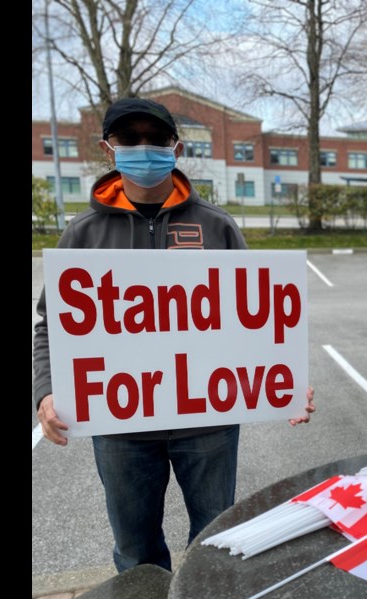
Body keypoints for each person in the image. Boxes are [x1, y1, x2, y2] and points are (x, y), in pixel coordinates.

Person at [32, 97, 316, 572]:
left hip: (207, 421)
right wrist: (45, 391)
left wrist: (283, 378)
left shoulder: (216, 226)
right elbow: (50, 328)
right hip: (121, 426)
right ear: (109, 149)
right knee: (136, 551)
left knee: (216, 539)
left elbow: (257, 317)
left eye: (157, 139)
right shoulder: (82, 234)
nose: (144, 148)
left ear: (176, 147)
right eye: (130, 139)